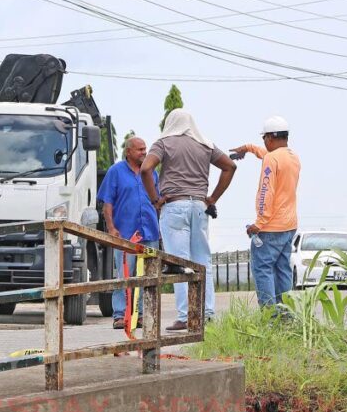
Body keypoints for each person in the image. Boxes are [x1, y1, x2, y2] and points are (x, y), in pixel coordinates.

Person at [141, 109, 236, 331]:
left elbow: (146, 168)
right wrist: (212, 197)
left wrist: (155, 199)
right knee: (203, 262)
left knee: (180, 263)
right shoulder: (204, 144)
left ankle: (185, 315)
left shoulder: (164, 143)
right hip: (199, 207)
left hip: (175, 206)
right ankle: (208, 313)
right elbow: (230, 166)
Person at [230, 116, 301, 309]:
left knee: (263, 269)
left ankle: (269, 316)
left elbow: (265, 193)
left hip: (271, 227)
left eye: (264, 139)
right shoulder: (293, 157)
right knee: (283, 270)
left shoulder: (272, 159)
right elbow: (268, 155)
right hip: (289, 226)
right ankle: (285, 314)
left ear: (269, 137)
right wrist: (249, 148)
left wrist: (258, 224)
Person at [98, 136, 161, 330]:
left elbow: (156, 200)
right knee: (124, 275)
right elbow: (106, 203)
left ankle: (141, 314)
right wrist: (111, 228)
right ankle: (120, 315)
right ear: (129, 152)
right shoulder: (115, 172)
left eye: (145, 149)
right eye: (140, 150)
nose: (144, 153)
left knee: (147, 276)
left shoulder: (150, 172)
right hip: (125, 233)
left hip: (149, 231)